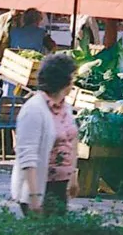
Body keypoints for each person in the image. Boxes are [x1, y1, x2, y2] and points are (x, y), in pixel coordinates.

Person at [12, 52, 79, 216]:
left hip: (60, 185)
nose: (73, 83)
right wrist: (35, 196)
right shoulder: (33, 109)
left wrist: (73, 177)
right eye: (72, 79)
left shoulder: (66, 107)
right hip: (39, 186)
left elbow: (72, 141)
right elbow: (28, 156)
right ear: (63, 81)